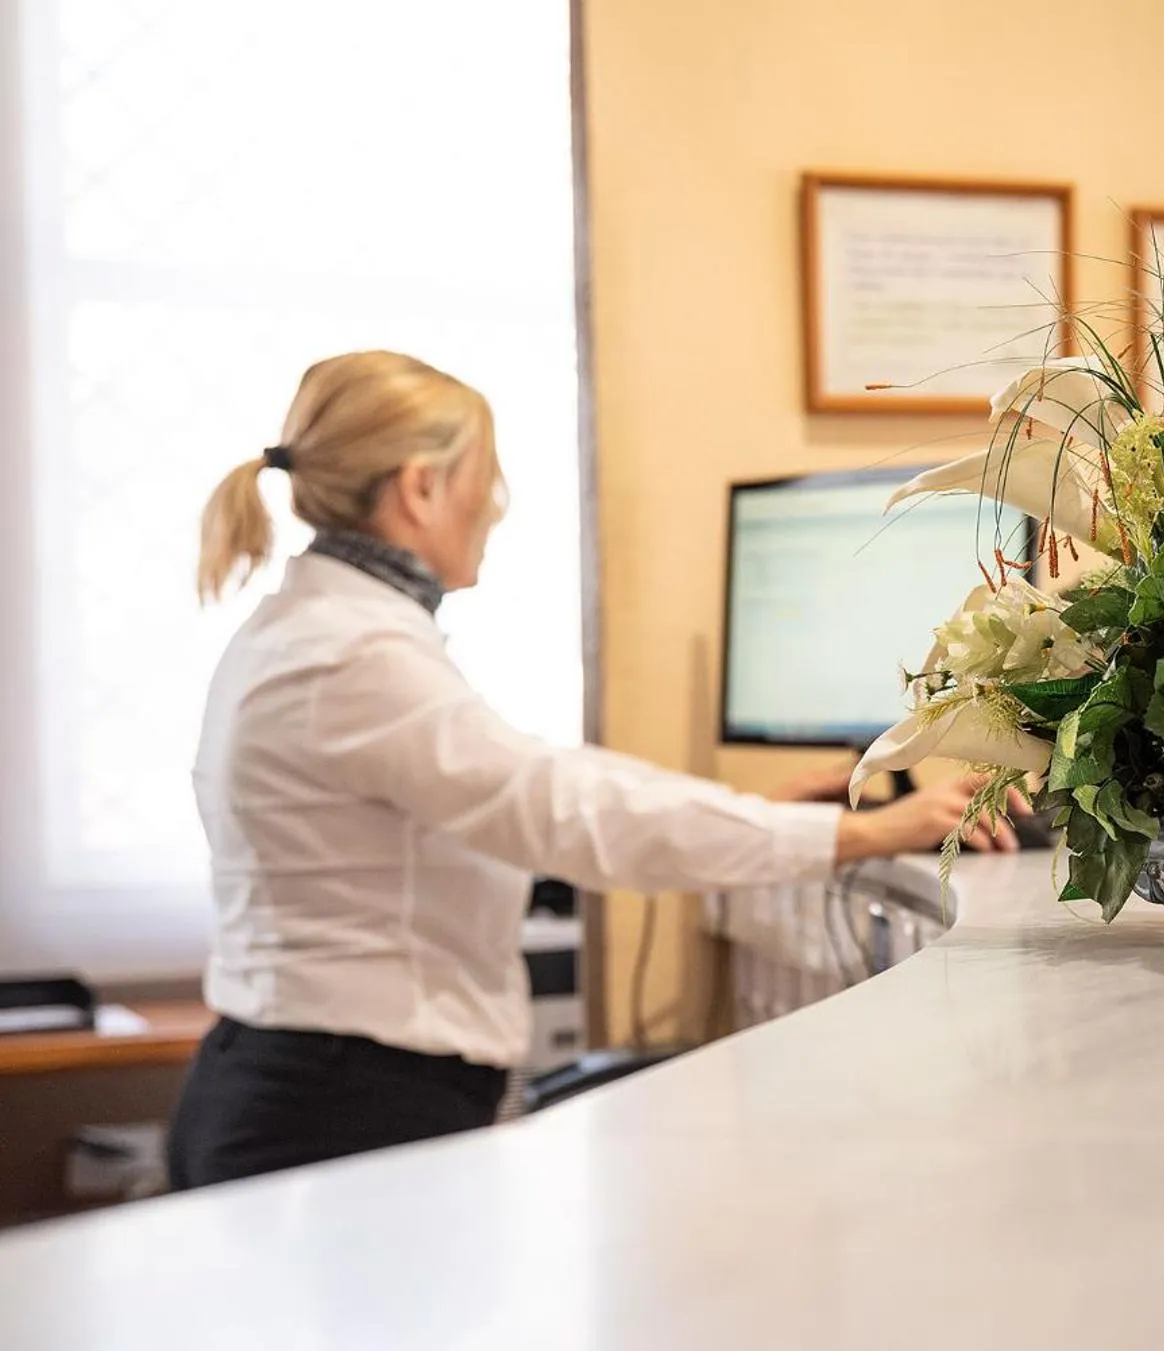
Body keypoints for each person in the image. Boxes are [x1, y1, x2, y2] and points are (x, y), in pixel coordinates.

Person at [169, 350, 1018, 1190]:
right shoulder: (353, 655)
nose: (496, 507)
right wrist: (862, 831)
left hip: (313, 1084)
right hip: (338, 1110)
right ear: (420, 488)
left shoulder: (320, 630)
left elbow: (526, 786)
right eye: (488, 478)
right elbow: (567, 807)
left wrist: (753, 810)